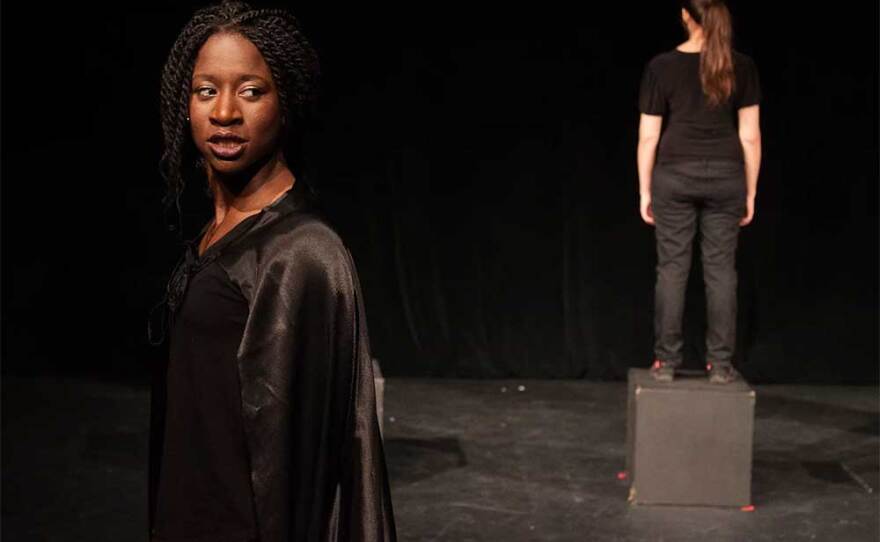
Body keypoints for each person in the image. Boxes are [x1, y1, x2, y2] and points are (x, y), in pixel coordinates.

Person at [147, 1, 397, 540]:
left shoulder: (301, 251)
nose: (224, 113)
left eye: (251, 91)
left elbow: (305, 461)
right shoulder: (219, 231)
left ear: (287, 103)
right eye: (206, 91)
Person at [636, 0, 762, 384]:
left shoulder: (661, 66)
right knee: (721, 271)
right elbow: (750, 136)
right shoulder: (741, 65)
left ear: (685, 16)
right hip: (726, 178)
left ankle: (666, 363)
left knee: (672, 269)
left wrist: (644, 190)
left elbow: (648, 136)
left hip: (674, 177)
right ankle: (720, 365)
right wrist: (750, 191)